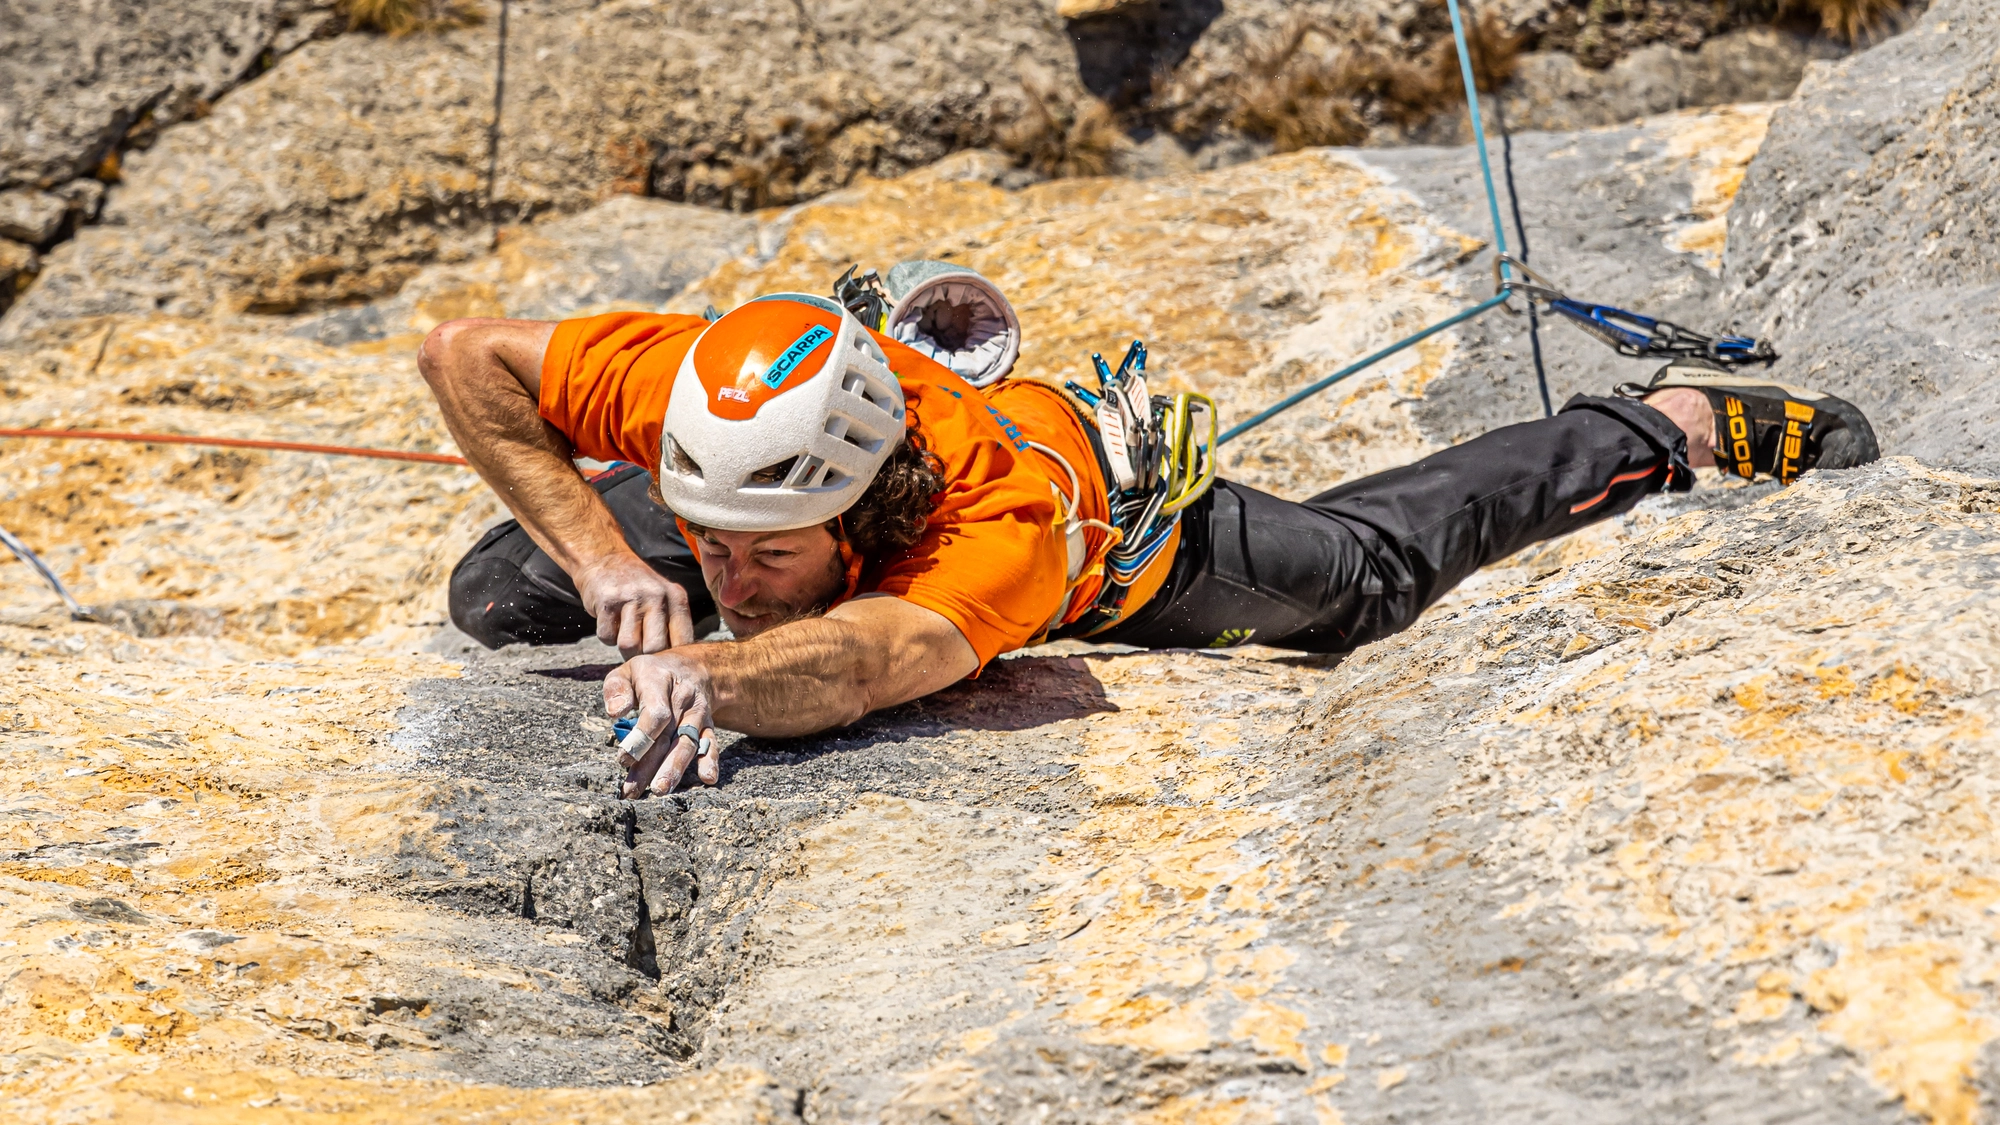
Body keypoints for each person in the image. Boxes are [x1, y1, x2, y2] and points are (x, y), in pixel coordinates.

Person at [417, 278, 1878, 799]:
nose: (726, 582)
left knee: (1361, 586)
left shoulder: (1001, 531)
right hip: (784, 478)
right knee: (509, 588)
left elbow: (866, 662)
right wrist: (616, 558)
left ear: (862, 507)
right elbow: (464, 356)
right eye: (707, 538)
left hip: (1126, 545)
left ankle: (1656, 428)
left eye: (763, 555)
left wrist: (719, 684)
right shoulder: (709, 386)